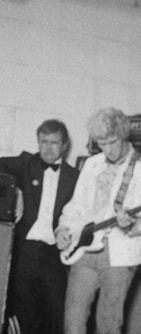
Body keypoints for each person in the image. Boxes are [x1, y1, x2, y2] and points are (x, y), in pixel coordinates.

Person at [54, 107, 141, 334]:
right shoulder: (92, 164)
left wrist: (132, 223)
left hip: (119, 254)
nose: (108, 149)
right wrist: (63, 228)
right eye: (102, 144)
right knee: (72, 321)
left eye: (112, 142)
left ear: (123, 136)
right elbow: (76, 205)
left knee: (108, 324)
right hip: (84, 248)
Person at [0, 120, 79, 334]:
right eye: (44, 142)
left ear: (64, 145)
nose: (48, 148)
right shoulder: (25, 163)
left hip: (54, 255)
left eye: (54, 143)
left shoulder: (75, 177)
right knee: (22, 316)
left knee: (55, 315)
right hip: (24, 252)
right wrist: (15, 191)